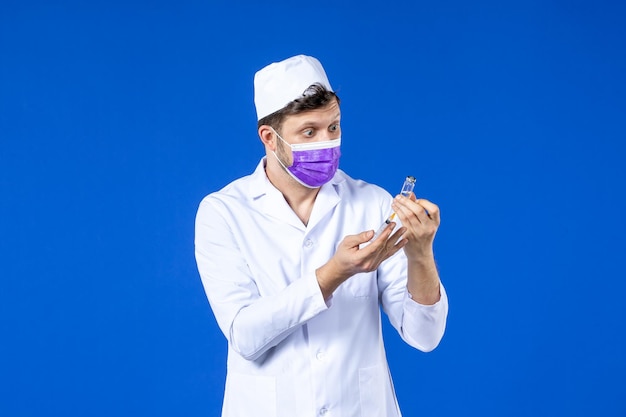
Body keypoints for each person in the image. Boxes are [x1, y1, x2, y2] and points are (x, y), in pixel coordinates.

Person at [195, 54, 448, 417]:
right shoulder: (224, 212)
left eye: (334, 127)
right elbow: (245, 337)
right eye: (309, 132)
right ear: (270, 137)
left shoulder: (372, 202)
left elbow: (424, 335)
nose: (326, 143)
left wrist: (420, 253)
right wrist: (333, 273)